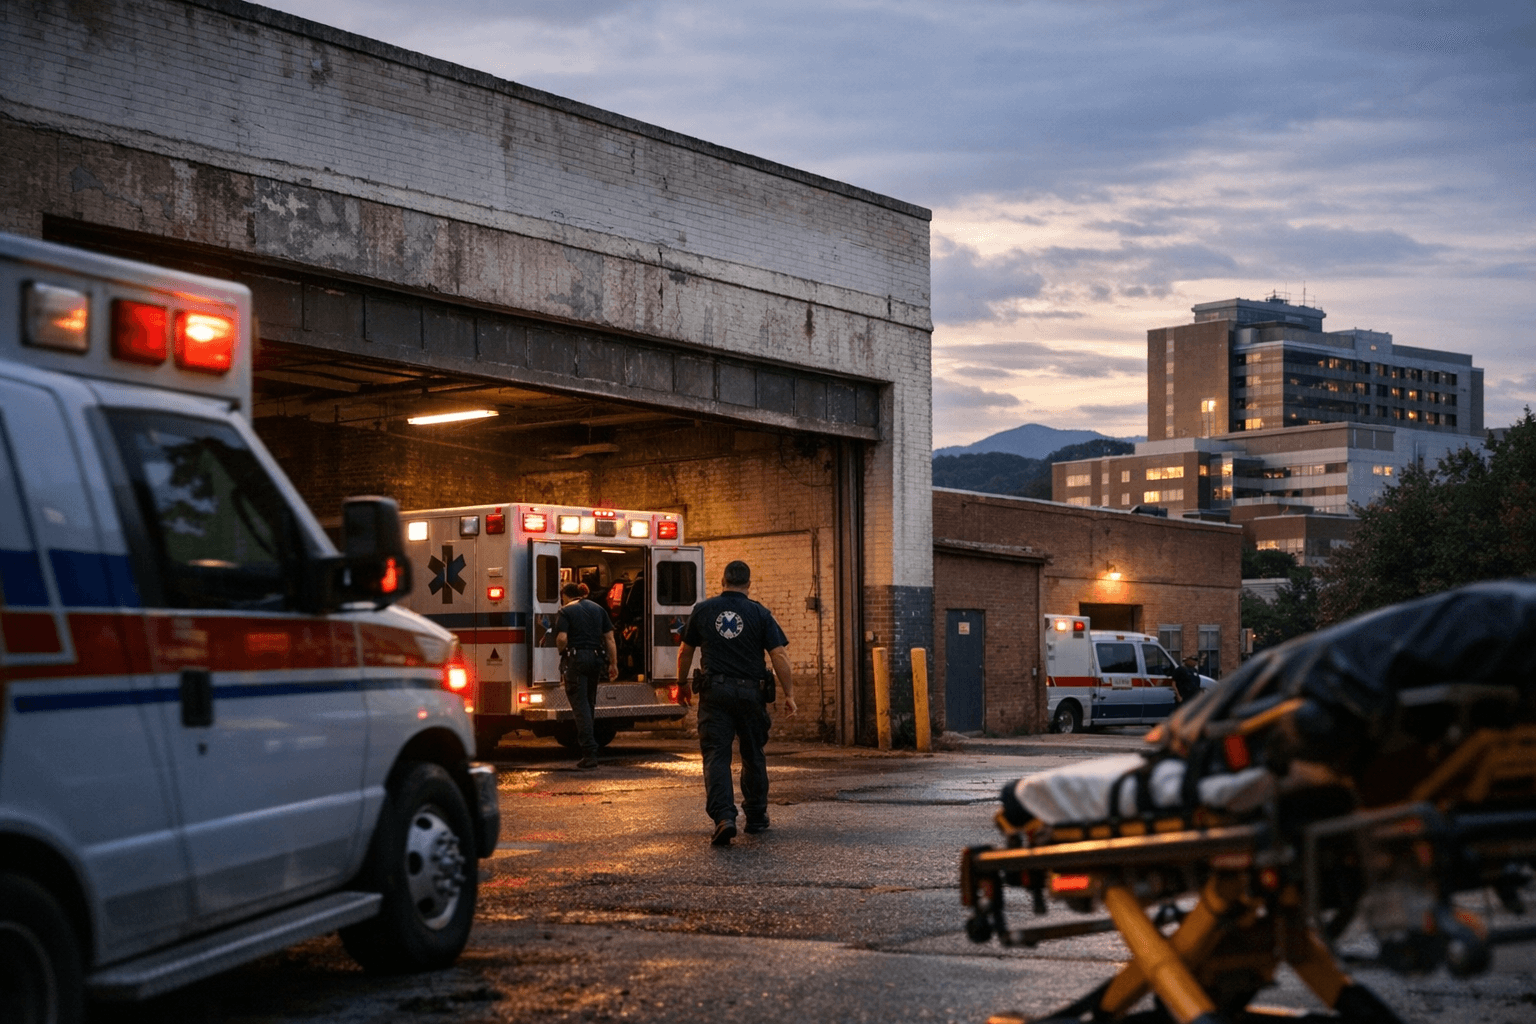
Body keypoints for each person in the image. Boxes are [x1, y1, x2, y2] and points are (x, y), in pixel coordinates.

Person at [676, 560, 796, 846]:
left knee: (717, 755)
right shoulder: (759, 612)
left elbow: (685, 651)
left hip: (715, 694)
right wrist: (789, 693)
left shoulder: (703, 610)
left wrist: (681, 685)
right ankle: (755, 817)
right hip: (751, 695)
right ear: (749, 584)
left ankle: (723, 818)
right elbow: (779, 655)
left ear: (723, 581)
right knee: (753, 753)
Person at [554, 581, 618, 769]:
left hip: (576, 660)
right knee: (589, 704)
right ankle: (591, 748)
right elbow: (610, 639)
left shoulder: (565, 611)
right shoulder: (599, 610)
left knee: (580, 706)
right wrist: (613, 664)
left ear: (565, 595)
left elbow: (562, 638)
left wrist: (561, 652)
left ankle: (589, 752)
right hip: (596, 659)